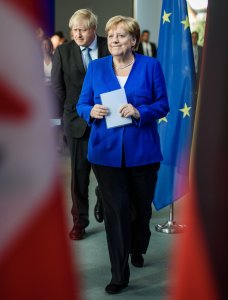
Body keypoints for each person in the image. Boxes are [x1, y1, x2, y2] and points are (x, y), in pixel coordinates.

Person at [76, 15, 169, 294]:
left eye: (121, 35)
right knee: (117, 214)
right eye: (111, 35)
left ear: (134, 41)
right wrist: (90, 111)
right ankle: (119, 274)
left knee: (140, 212)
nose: (114, 40)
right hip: (105, 153)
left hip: (143, 153)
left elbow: (163, 104)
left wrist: (141, 111)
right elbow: (82, 103)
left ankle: (138, 247)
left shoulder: (151, 66)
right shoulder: (96, 67)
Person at [51, 9, 109, 240]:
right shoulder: (63, 51)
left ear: (93, 29)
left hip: (107, 121)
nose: (77, 34)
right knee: (79, 177)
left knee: (109, 173)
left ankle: (104, 200)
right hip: (76, 123)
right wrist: (68, 116)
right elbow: (57, 88)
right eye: (74, 29)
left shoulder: (108, 46)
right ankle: (79, 222)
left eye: (82, 29)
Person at [191, 31, 203, 119]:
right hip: (190, 74)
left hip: (198, 73)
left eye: (195, 37)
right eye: (193, 37)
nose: (194, 38)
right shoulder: (187, 49)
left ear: (198, 38)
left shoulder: (201, 49)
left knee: (197, 91)